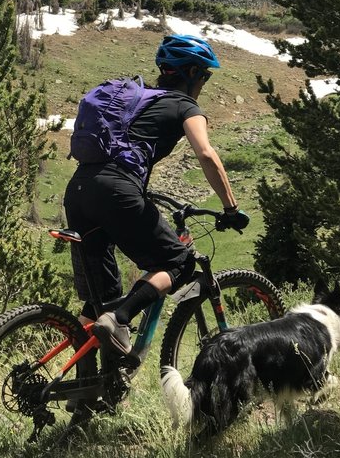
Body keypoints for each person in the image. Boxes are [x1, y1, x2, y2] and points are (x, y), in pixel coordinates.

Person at [63, 34, 249, 356]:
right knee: (179, 261)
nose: (204, 82)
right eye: (204, 75)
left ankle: (83, 392)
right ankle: (120, 319)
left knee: (99, 302)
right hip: (115, 189)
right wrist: (231, 208)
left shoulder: (140, 98)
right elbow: (205, 154)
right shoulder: (184, 105)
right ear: (191, 72)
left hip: (79, 188)